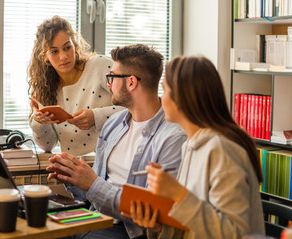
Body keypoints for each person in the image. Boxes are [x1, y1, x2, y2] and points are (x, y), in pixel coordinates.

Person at [46, 44, 187, 239]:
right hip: (94, 217)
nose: (109, 83)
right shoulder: (114, 124)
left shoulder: (173, 138)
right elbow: (96, 187)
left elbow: (153, 212)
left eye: (112, 77)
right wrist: (72, 175)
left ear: (131, 82)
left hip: (129, 230)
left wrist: (92, 183)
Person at [125, 56, 265, 238]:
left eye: (165, 91)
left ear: (181, 99)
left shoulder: (222, 149)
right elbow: (192, 224)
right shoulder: (191, 145)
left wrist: (178, 193)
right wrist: (158, 226)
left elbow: (235, 233)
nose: (161, 98)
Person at [28, 15, 123, 156]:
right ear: (45, 56)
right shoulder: (47, 89)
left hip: (112, 163)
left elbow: (135, 107)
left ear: (74, 45)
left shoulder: (100, 66)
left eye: (67, 47)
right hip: (74, 170)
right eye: (54, 51)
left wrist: (96, 117)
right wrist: (38, 123)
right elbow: (47, 146)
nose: (63, 56)